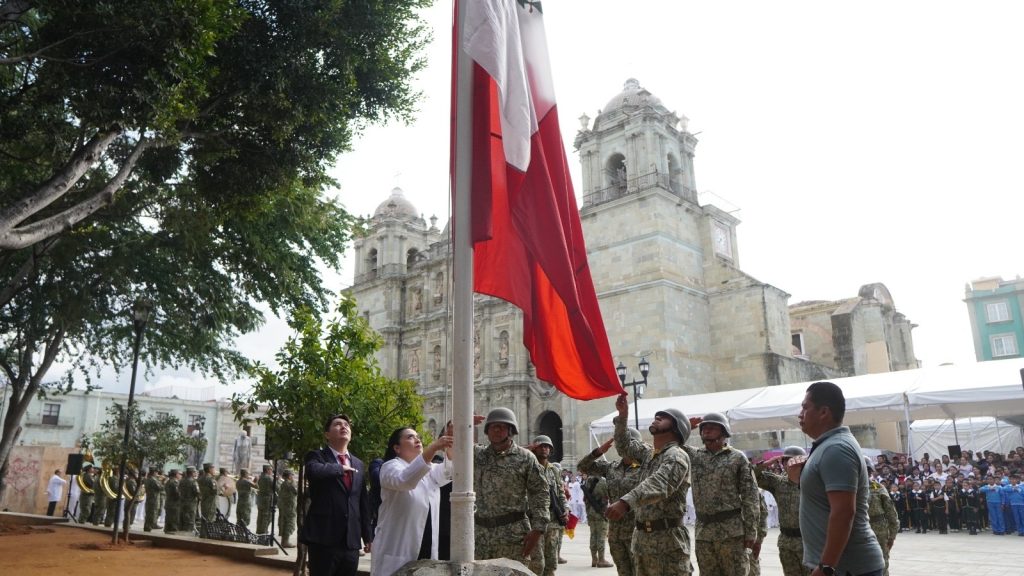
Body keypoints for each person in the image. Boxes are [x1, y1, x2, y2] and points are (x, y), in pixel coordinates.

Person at [790, 381, 884, 576]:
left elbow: (843, 512)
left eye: (805, 407)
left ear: (823, 412)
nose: (800, 414)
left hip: (848, 568)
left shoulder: (836, 449)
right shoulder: (829, 446)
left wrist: (826, 566)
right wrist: (800, 480)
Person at [604, 393, 693, 576]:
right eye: (657, 415)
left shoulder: (676, 455)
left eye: (665, 417)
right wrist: (622, 417)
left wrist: (625, 502)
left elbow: (660, 483)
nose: (657, 417)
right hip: (642, 541)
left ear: (677, 428)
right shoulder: (649, 454)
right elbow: (624, 446)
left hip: (668, 542)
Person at [370, 426, 454, 576]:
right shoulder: (389, 468)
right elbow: (406, 480)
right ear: (397, 448)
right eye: (410, 437)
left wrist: (455, 438)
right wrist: (434, 447)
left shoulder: (429, 470)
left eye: (418, 437)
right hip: (398, 553)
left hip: (426, 553)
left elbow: (449, 471)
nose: (417, 439)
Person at [683, 412, 759, 576]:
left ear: (724, 431)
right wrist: (686, 428)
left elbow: (750, 497)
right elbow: (670, 444)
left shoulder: (737, 458)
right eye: (704, 428)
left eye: (712, 427)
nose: (707, 431)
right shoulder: (695, 456)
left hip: (731, 533)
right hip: (704, 532)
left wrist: (751, 531)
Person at [472, 407, 549, 564]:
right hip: (482, 537)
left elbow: (540, 492)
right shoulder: (478, 455)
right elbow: (452, 444)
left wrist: (538, 529)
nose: (498, 431)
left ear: (510, 431)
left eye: (503, 427)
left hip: (514, 535)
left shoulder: (525, 458)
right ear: (487, 430)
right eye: (494, 426)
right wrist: (465, 424)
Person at [300, 414, 373, 576]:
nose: (344, 427)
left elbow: (362, 503)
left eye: (346, 425)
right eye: (338, 424)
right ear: (327, 434)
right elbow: (313, 471)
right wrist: (340, 469)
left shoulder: (358, 464)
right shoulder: (317, 456)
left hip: (350, 542)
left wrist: (368, 536)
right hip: (323, 539)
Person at [578, 428, 643, 576]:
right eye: (622, 443)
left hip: (637, 531)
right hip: (615, 532)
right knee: (623, 572)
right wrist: (598, 452)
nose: (625, 447)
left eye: (629, 443)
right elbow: (582, 467)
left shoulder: (645, 468)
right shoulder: (611, 468)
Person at [755, 446, 809, 576]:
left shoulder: (812, 482)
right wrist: (767, 463)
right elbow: (752, 476)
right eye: (785, 460)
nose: (788, 463)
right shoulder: (778, 482)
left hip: (808, 542)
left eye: (792, 460)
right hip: (786, 543)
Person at [527, 434, 570, 576]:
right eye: (541, 446)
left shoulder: (554, 470)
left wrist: (566, 509)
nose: (544, 449)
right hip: (534, 522)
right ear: (534, 449)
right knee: (537, 563)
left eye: (547, 447)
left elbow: (561, 493)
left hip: (553, 522)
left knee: (551, 563)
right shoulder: (528, 467)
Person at [864, 458, 898, 576]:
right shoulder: (851, 489)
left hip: (880, 531)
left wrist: (892, 535)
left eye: (868, 470)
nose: (866, 472)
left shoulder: (877, 487)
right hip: (859, 532)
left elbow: (891, 511)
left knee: (882, 562)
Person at [582, 473, 613, 568]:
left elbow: (586, 499)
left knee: (593, 535)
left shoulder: (588, 480)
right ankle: (601, 559)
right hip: (602, 512)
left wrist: (587, 513)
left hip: (591, 511)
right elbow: (610, 496)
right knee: (601, 536)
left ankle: (594, 559)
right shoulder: (604, 481)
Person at [278, 469, 298, 548]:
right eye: (292, 475)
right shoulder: (288, 484)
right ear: (289, 476)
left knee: (286, 523)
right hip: (289, 507)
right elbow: (296, 491)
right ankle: (285, 542)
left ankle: (284, 541)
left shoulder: (284, 483)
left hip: (287, 506)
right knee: (289, 523)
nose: (293, 476)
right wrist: (294, 481)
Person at [179, 466, 200, 534]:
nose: (196, 473)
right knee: (190, 520)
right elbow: (197, 493)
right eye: (195, 472)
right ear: (192, 473)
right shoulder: (193, 482)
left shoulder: (182, 481)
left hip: (182, 503)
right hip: (191, 504)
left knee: (183, 519)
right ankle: (188, 533)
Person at [144, 467, 164, 531]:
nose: (157, 474)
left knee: (149, 514)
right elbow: (160, 488)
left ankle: (149, 526)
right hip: (153, 499)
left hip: (150, 498)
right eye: (156, 472)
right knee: (151, 514)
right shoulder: (153, 480)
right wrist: (163, 482)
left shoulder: (148, 479)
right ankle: (149, 527)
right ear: (154, 472)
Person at [163, 469, 181, 533]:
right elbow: (177, 494)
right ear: (176, 475)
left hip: (169, 503)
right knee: (174, 520)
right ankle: (172, 532)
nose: (180, 475)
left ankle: (167, 531)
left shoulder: (168, 481)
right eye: (179, 474)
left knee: (168, 519)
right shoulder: (175, 482)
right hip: (174, 504)